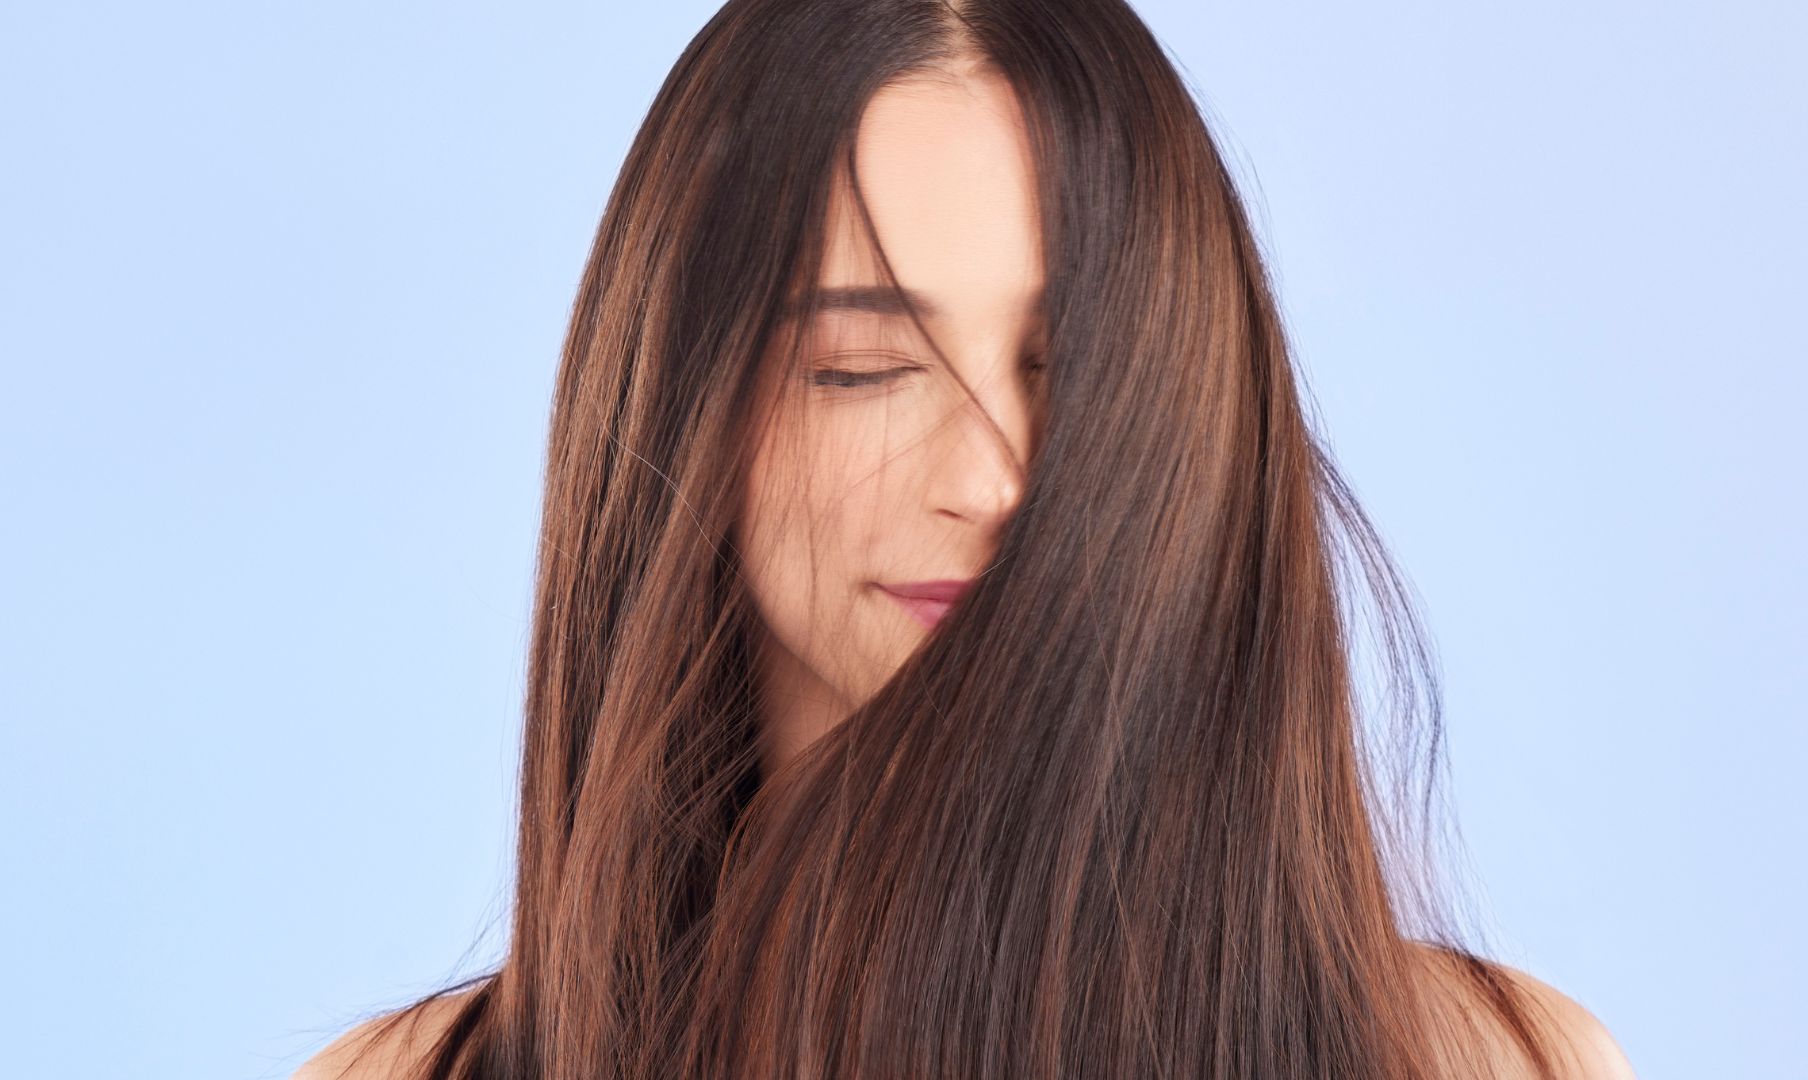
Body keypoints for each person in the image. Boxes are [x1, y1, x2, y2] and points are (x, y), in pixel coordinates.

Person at [295, 1, 1635, 1077]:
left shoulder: (1484, 1063)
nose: (996, 478)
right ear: (685, 413)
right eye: (865, 366)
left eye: (1075, 371)